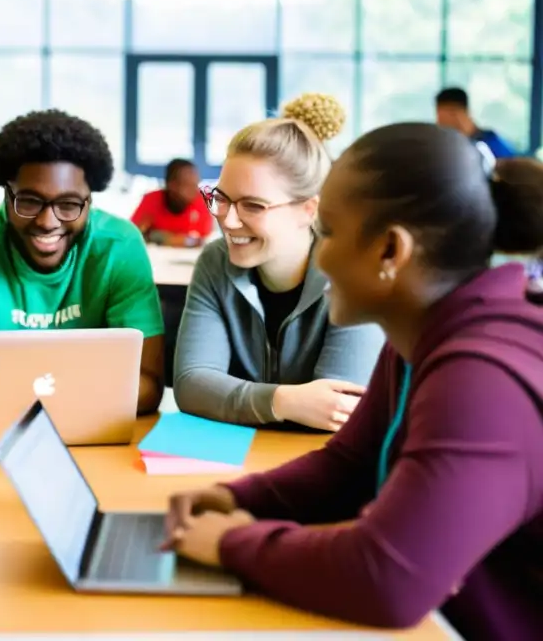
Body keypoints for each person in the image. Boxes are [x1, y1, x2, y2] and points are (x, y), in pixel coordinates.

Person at [163, 123, 543, 638]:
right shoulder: (421, 337)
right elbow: (351, 466)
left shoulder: (483, 378)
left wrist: (231, 544)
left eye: (332, 234)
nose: (318, 257)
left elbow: (387, 579)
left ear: (391, 251)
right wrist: (239, 499)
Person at [0, 109, 166, 414]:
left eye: (68, 204)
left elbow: (148, 385)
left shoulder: (120, 246)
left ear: (90, 200)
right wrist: (89, 397)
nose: (47, 221)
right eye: (29, 200)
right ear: (6, 193)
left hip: (88, 433)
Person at [174, 93, 383, 430]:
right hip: (240, 460)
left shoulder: (355, 274)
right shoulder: (215, 263)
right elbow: (192, 385)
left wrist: (234, 400)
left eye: (253, 206)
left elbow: (339, 409)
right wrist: (284, 401)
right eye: (222, 199)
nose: (227, 221)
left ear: (308, 210)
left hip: (326, 466)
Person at [130, 158, 213, 247]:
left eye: (195, 184)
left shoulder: (200, 202)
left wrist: (162, 237)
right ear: (172, 185)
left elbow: (203, 240)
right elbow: (132, 234)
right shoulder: (151, 200)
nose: (194, 191)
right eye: (188, 185)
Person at [436, 86, 516, 159]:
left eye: (452, 115)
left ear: (465, 113)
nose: (443, 127)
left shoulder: (493, 145)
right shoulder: (444, 149)